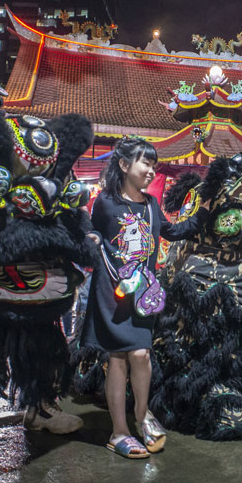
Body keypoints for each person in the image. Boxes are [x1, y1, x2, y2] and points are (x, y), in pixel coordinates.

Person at [82, 137, 209, 459]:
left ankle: (142, 416)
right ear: (125, 166)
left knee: (141, 355)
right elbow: (92, 237)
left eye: (154, 165)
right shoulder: (106, 202)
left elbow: (173, 232)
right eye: (146, 163)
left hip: (143, 294)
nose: (151, 171)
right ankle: (119, 432)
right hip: (111, 293)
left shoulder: (152, 206)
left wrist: (204, 214)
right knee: (118, 358)